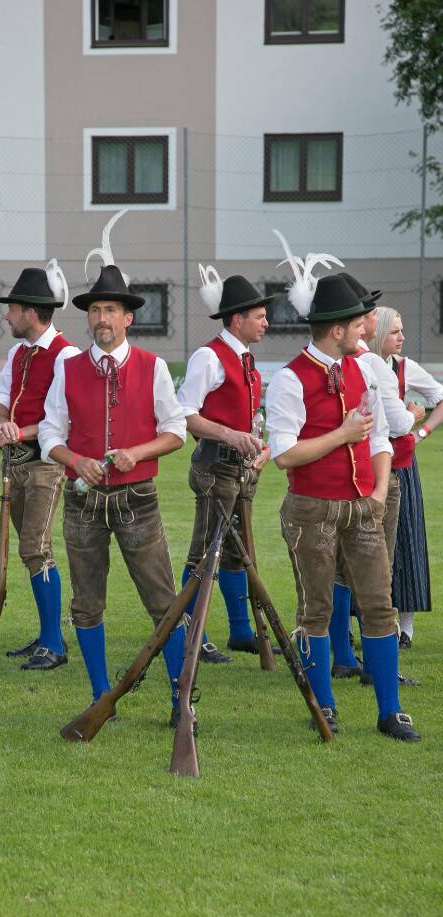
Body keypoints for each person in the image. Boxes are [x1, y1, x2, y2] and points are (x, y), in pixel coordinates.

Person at [38, 212, 188, 723]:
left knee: (162, 599)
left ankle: (180, 694)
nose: (102, 318)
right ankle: (103, 694)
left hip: (137, 497)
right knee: (86, 602)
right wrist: (75, 460)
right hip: (82, 500)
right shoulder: (68, 366)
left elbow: (176, 430)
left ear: (129, 318)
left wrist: (138, 452)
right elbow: (48, 434)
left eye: (112, 310)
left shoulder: (154, 367)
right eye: (96, 310)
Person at [265, 252, 421, 742]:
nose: (365, 329)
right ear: (336, 328)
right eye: (358, 322)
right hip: (310, 508)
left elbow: (378, 439)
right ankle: (324, 707)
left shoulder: (365, 370)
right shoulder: (290, 378)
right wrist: (341, 433)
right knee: (316, 610)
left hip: (361, 507)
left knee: (379, 606)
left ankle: (390, 711)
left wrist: (377, 491)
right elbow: (284, 455)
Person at [327, 274, 424, 679]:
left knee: (339, 571)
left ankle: (344, 656)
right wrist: (417, 416)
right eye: (365, 313)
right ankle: (376, 665)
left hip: (340, 476)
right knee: (375, 574)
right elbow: (397, 423)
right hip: (372, 476)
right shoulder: (370, 363)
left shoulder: (346, 361)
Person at [176, 266, 271, 663]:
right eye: (259, 316)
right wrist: (231, 435)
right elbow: (183, 414)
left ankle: (240, 631)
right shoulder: (208, 357)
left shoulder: (245, 358)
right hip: (215, 467)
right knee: (204, 553)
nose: (266, 322)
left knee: (235, 553)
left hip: (239, 469)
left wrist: (259, 446)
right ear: (238, 319)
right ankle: (185, 632)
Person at [0, 263, 79, 670]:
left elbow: (62, 419)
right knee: (31, 551)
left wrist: (15, 430)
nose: (7, 315)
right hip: (16, 462)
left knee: (35, 548)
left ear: (31, 311)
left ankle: (54, 646)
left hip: (45, 462)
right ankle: (49, 636)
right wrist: (4, 423)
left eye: (13, 309)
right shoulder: (16, 352)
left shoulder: (67, 355)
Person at [369, 306, 443, 649]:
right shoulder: (362, 364)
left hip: (401, 465)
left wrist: (422, 430)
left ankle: (405, 627)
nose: (402, 337)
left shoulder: (404, 368)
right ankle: (369, 621)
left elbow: (438, 398)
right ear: (379, 332)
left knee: (406, 541)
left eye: (401, 330)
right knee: (368, 546)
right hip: (367, 466)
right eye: (395, 331)